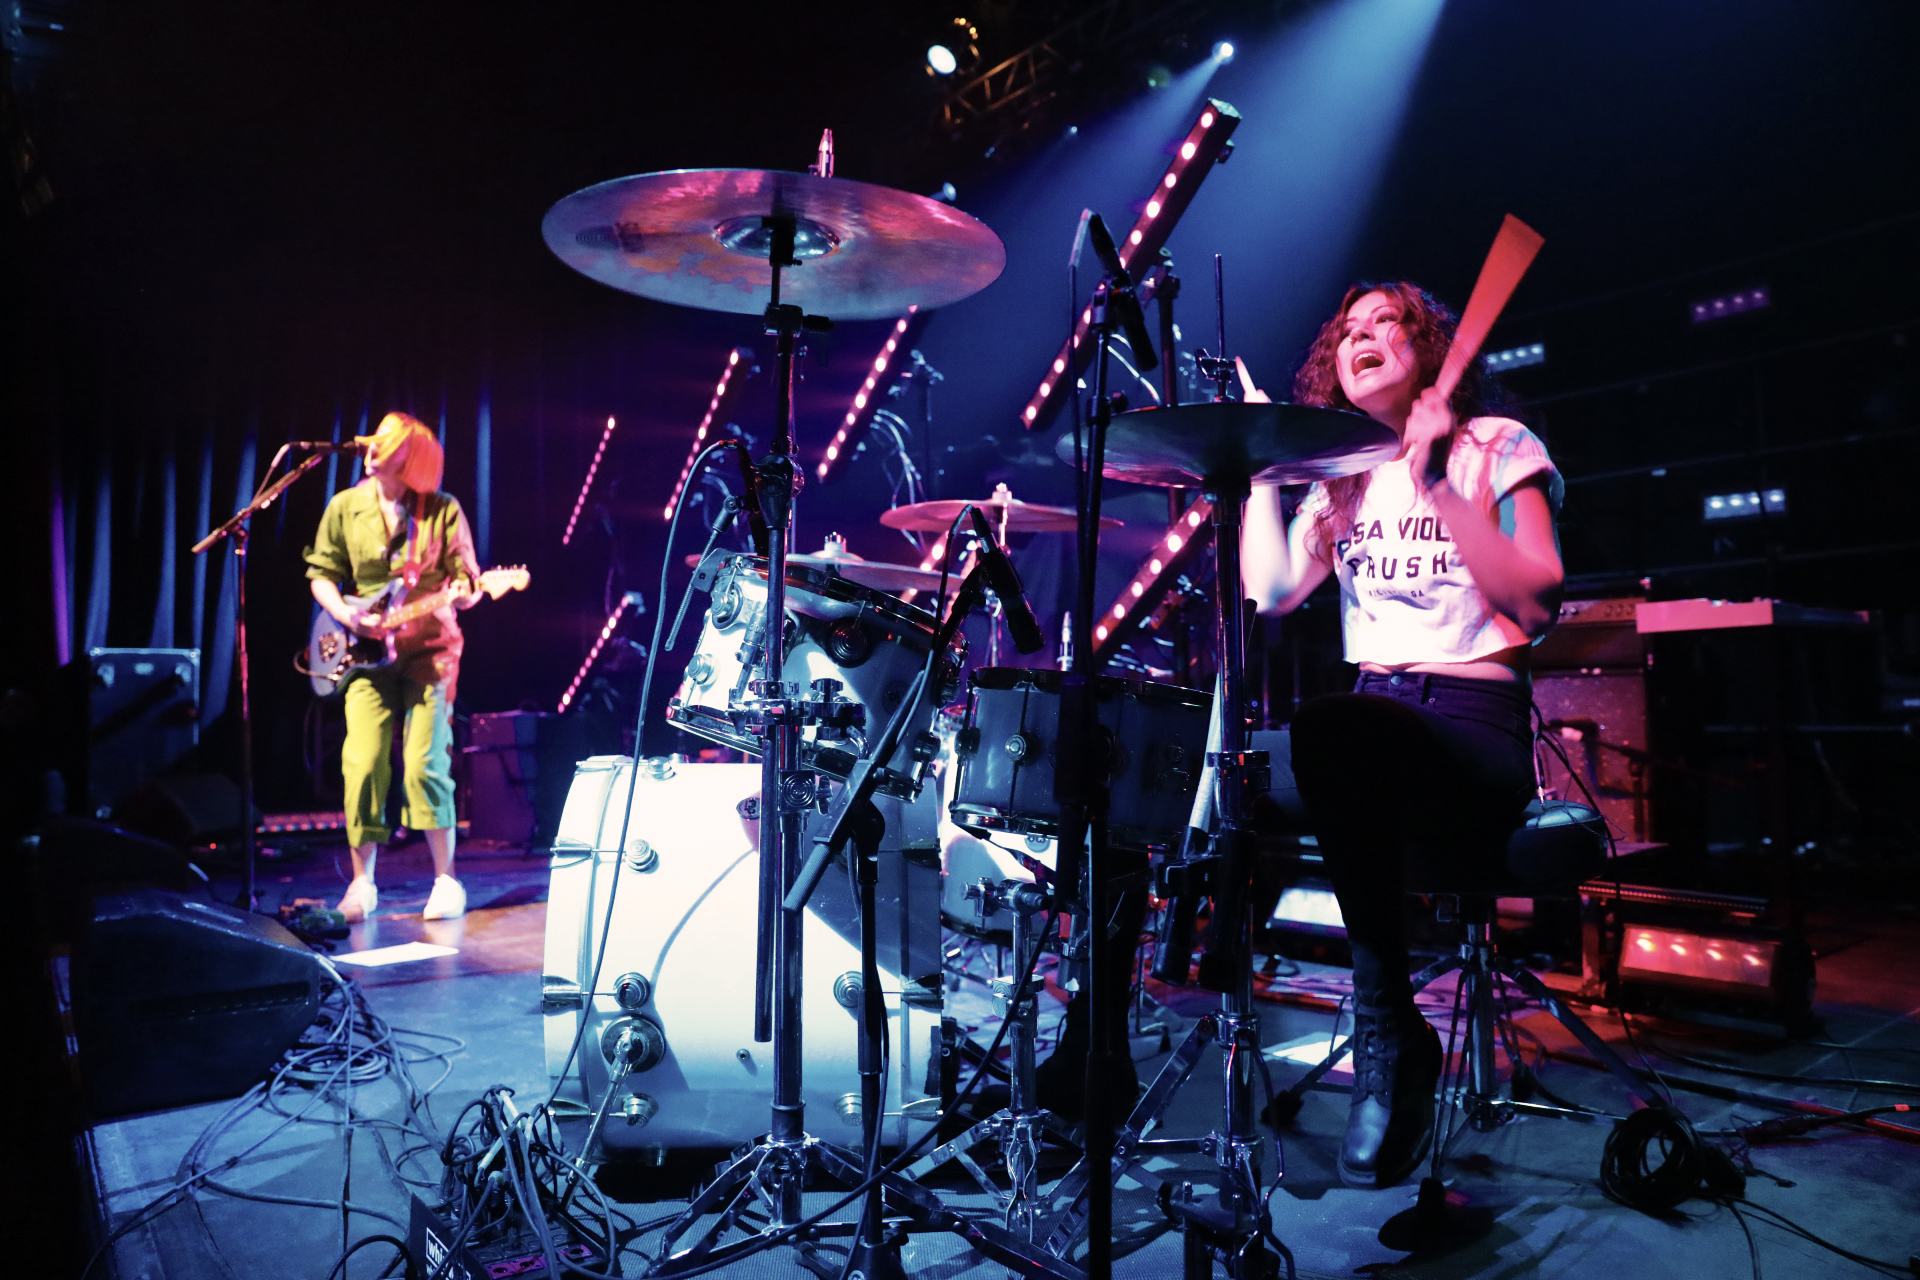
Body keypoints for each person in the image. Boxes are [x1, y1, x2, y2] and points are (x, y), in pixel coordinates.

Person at [1240, 282, 1564, 1189]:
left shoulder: (1495, 446)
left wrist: (1437, 483)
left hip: (1470, 729)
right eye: (1349, 329)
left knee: (1340, 731)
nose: (1365, 335)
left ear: (1428, 346)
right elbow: (1271, 591)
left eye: (1388, 321)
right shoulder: (1341, 476)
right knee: (1191, 763)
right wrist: (1262, 468)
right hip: (1368, 729)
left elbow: (1535, 603)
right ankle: (1102, 1050)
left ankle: (1386, 1029)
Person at [305, 412, 480, 923]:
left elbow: (468, 584)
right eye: (375, 442)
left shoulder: (442, 510)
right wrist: (347, 615)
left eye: (390, 444)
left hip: (430, 652)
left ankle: (446, 880)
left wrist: (466, 592)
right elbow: (321, 574)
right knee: (362, 761)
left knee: (426, 761)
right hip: (365, 656)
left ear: (412, 457)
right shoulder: (345, 506)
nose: (375, 450)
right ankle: (362, 883)